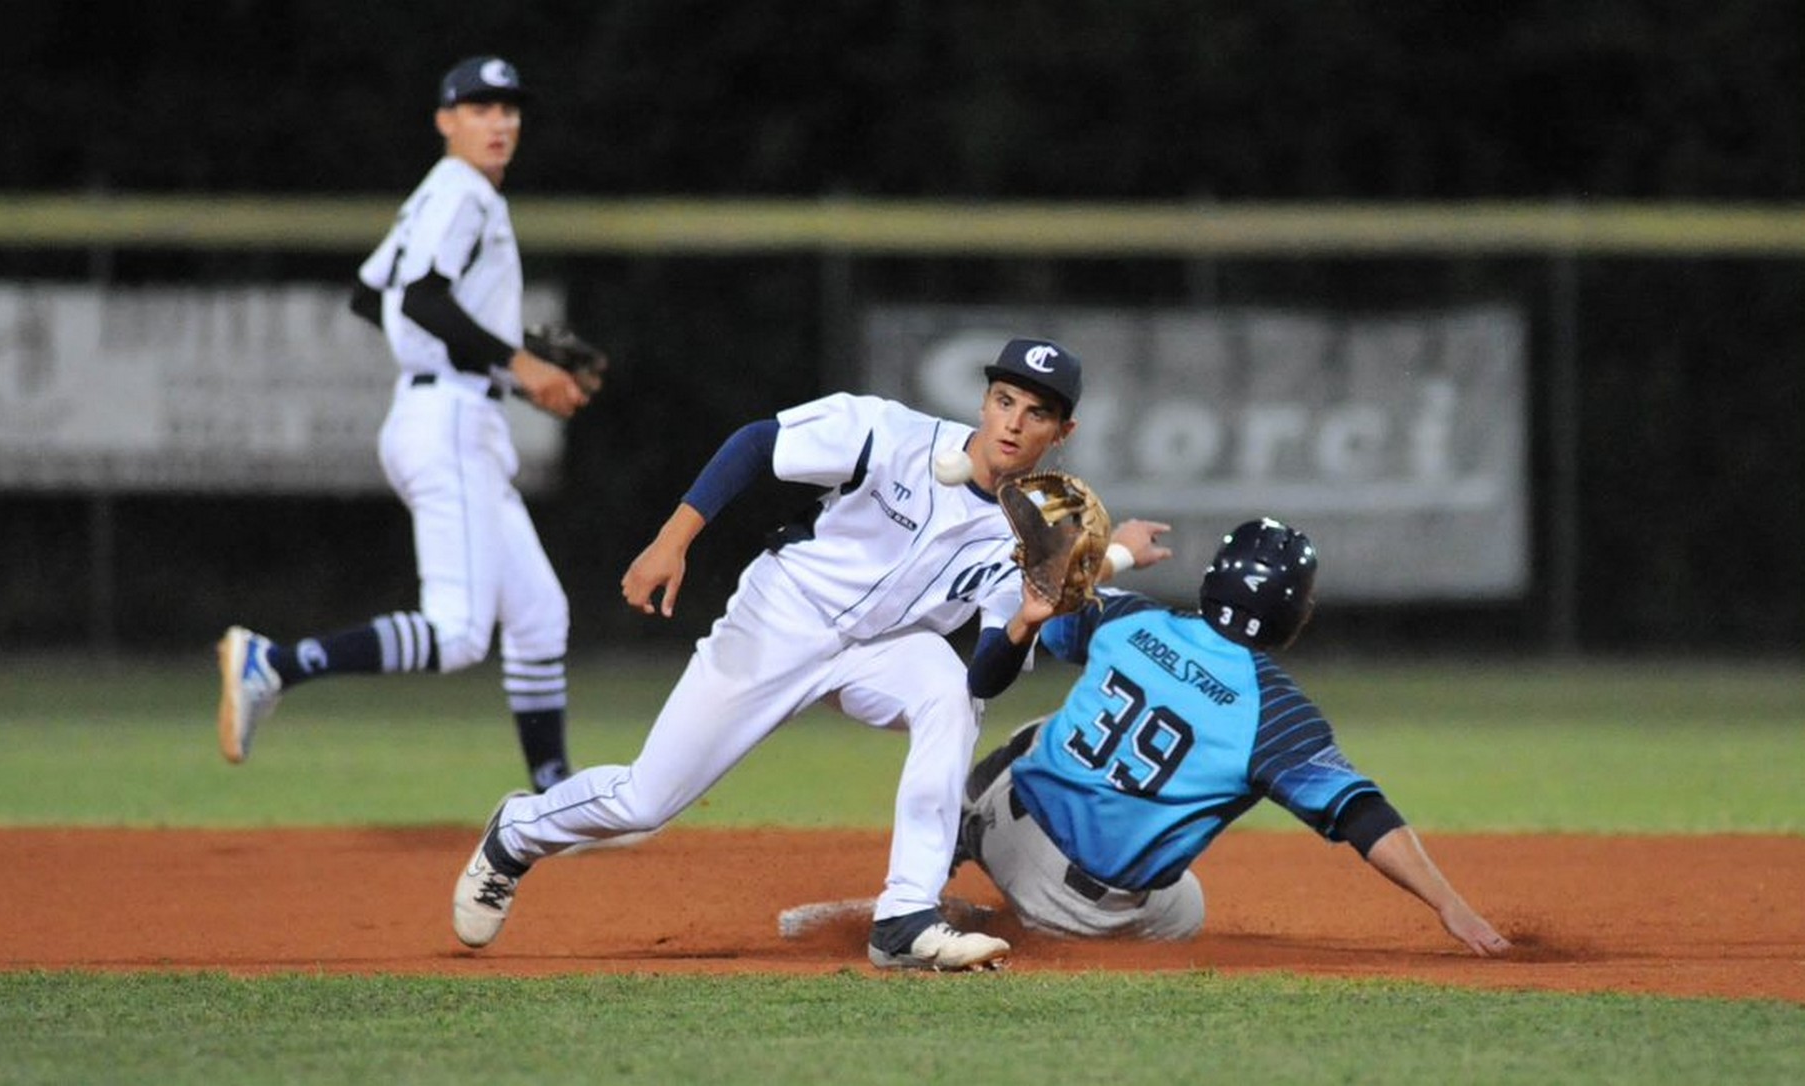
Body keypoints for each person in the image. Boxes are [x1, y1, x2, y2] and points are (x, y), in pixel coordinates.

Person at [448, 338, 1172, 971]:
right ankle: (517, 831)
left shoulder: (1035, 535)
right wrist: (673, 540)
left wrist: (1022, 625)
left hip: (886, 649)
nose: (1013, 421)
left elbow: (988, 669)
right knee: (647, 801)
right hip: (783, 618)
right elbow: (758, 444)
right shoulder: (892, 433)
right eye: (1004, 398)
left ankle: (905, 920)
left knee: (952, 694)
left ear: (1062, 430)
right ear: (984, 401)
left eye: (1036, 412)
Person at [216, 55, 594, 791]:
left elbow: (371, 296)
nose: (500, 122)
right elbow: (418, 300)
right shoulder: (465, 196)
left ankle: (554, 797)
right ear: (445, 120)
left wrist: (507, 355)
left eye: (509, 109)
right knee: (455, 633)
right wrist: (518, 362)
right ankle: (275, 665)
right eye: (480, 108)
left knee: (540, 615)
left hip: (448, 410)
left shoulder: (435, 195)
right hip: (448, 418)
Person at [959, 518, 1512, 957]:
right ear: (1296, 613)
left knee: (1042, 732)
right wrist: (1449, 905)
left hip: (1002, 828)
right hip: (1077, 917)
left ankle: (954, 833)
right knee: (1185, 906)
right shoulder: (1274, 712)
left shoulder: (1129, 618)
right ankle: (1011, 926)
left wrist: (1115, 555)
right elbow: (1361, 813)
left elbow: (1049, 600)